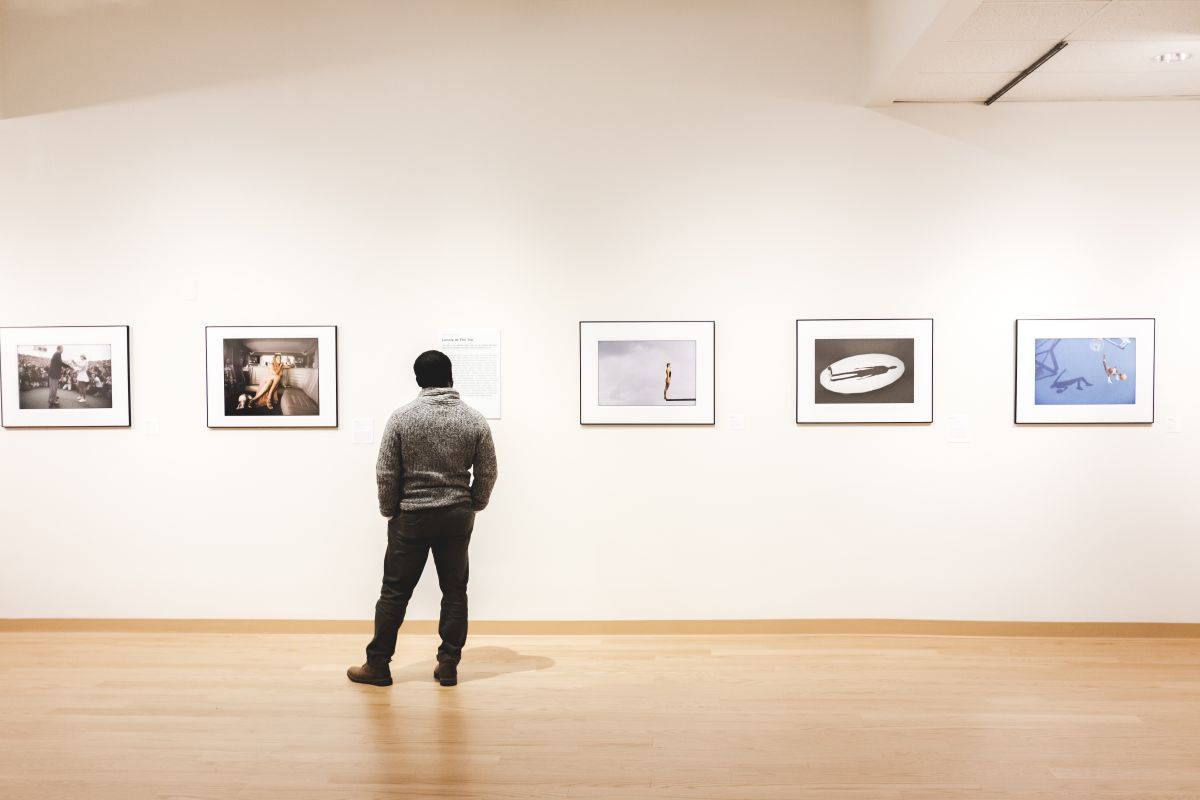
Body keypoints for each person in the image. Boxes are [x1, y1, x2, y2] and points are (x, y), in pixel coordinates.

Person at [348, 350, 498, 689]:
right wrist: (474, 503)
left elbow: (386, 471)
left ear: (418, 380)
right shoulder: (474, 420)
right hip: (457, 517)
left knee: (395, 592)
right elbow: (488, 471)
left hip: (411, 518)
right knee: (455, 591)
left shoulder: (402, 418)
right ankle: (448, 664)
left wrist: (390, 510)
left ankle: (378, 665)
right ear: (451, 378)